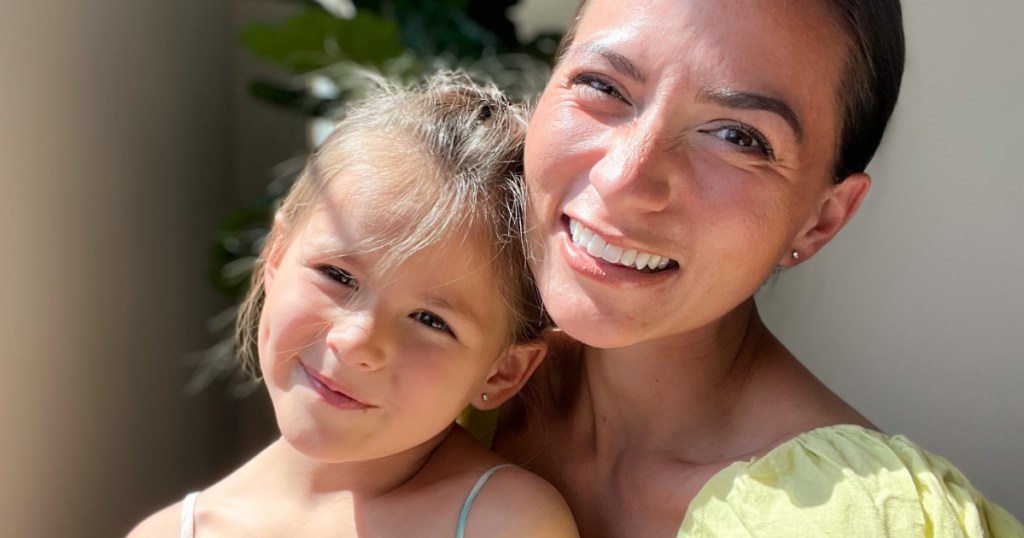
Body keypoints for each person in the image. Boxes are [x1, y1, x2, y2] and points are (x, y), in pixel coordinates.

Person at [490, 0, 1024, 536]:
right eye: (604, 87)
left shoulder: (858, 521)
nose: (624, 180)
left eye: (737, 137)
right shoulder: (437, 354)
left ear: (820, 221)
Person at [128, 73, 579, 538]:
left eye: (430, 320)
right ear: (276, 256)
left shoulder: (503, 522)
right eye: (338, 276)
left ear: (502, 371)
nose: (354, 341)